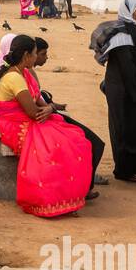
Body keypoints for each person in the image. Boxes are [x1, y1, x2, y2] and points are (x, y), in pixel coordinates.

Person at [0, 35, 95, 217]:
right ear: (26, 56)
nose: (37, 56)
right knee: (65, 144)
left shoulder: (21, 72)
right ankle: (52, 201)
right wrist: (50, 108)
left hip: (24, 120)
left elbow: (37, 107)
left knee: (75, 138)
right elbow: (33, 112)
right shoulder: (14, 77)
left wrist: (50, 109)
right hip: (16, 126)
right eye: (35, 53)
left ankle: (67, 197)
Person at [95, 0, 136, 182]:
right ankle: (124, 170)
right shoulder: (121, 36)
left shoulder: (135, 32)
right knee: (125, 128)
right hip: (124, 92)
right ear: (128, 11)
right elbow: (127, 68)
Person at [32, 37, 106, 183]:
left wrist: (52, 105)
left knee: (86, 140)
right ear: (28, 55)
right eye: (42, 54)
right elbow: (34, 108)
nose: (46, 58)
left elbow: (37, 99)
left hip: (46, 114)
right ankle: (86, 182)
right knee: (88, 142)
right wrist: (51, 107)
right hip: (41, 119)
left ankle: (86, 178)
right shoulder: (22, 74)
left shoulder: (25, 72)